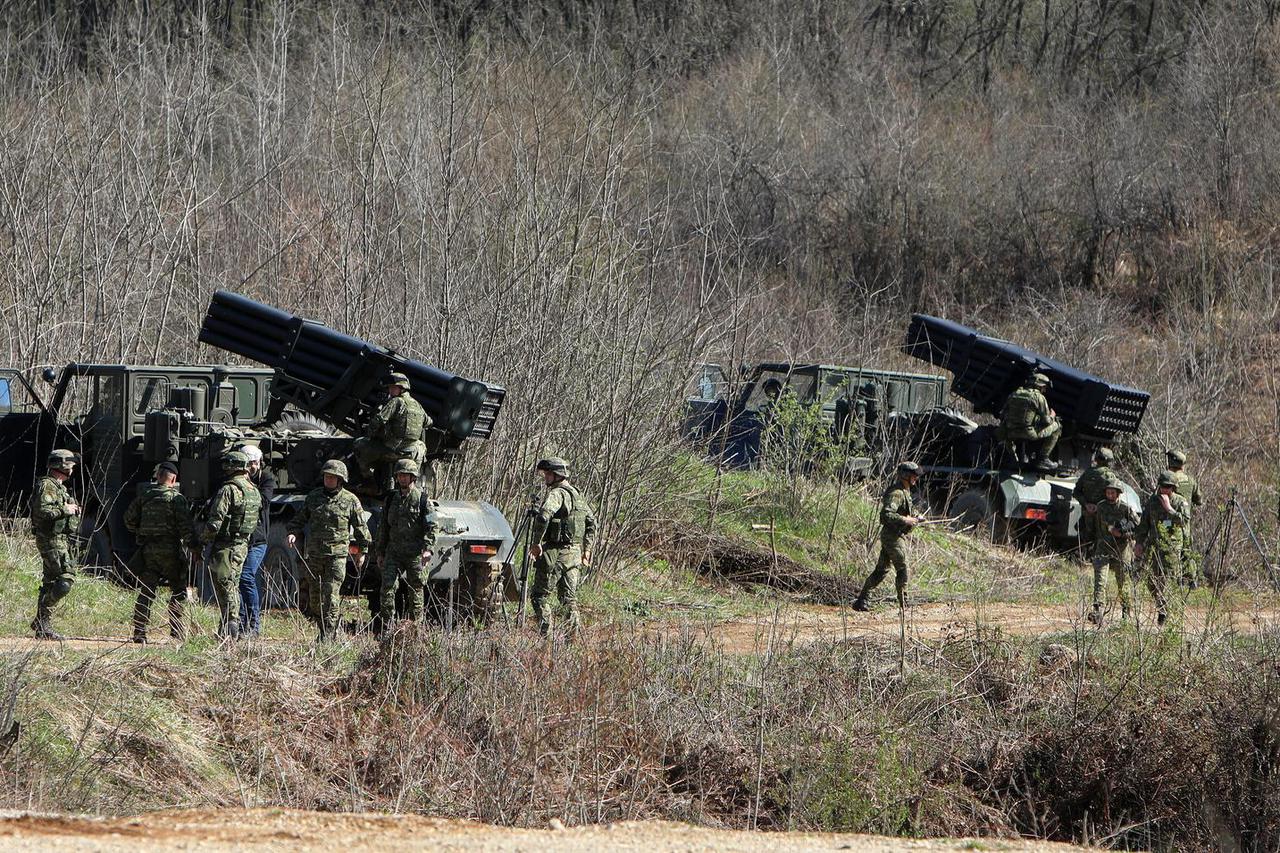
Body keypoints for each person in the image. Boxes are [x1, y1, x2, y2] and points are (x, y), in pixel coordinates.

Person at [287, 460, 370, 642]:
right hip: (315, 555)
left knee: (331, 596)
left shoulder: (350, 500)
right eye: (326, 476)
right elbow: (299, 519)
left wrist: (362, 552)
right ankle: (324, 628)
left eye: (332, 477)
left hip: (336, 557)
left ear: (340, 480)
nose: (328, 480)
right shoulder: (314, 497)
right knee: (315, 599)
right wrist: (293, 533)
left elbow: (361, 528)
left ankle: (328, 636)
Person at [124, 462, 198, 643]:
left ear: (158, 477)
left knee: (147, 591)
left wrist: (141, 531)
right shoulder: (177, 499)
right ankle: (176, 632)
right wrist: (195, 548)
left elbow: (128, 520)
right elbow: (186, 528)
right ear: (173, 479)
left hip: (149, 551)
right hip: (171, 552)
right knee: (178, 591)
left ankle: (139, 632)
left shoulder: (144, 496)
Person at [528, 458, 597, 637]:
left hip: (556, 553)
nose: (545, 478)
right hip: (575, 554)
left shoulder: (557, 493)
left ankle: (546, 639)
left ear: (556, 475)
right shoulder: (577, 495)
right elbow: (592, 522)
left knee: (539, 596)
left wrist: (536, 543)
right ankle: (571, 641)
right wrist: (587, 549)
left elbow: (543, 517)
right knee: (569, 599)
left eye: (547, 474)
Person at [199, 451, 262, 639]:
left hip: (226, 545)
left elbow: (215, 520)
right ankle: (229, 624)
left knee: (225, 585)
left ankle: (231, 624)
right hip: (242, 545)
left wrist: (202, 541)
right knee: (233, 583)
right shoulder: (253, 489)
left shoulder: (229, 489)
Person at [373, 459, 436, 634]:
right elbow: (384, 527)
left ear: (412, 477)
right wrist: (380, 552)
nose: (402, 478)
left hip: (415, 553)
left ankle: (414, 631)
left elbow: (432, 527)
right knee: (387, 589)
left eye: (405, 475)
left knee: (415, 590)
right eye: (400, 475)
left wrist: (428, 549)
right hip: (394, 552)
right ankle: (388, 628)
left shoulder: (423, 500)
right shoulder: (391, 499)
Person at [852, 461, 921, 612]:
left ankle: (862, 600)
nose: (916, 478)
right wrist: (905, 520)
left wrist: (915, 518)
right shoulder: (897, 493)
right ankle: (905, 604)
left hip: (893, 535)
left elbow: (902, 512)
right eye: (913, 475)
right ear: (906, 475)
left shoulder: (904, 491)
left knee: (881, 570)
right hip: (893, 537)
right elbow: (886, 514)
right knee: (902, 568)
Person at [30, 450, 80, 640]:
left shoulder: (59, 487)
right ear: (63, 466)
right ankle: (42, 620)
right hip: (51, 539)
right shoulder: (47, 485)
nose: (73, 469)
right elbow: (42, 511)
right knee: (65, 581)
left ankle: (42, 624)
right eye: (71, 465)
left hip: (58, 538)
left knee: (50, 581)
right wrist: (64, 510)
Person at [1135, 470, 1191, 626]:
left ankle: (1165, 614)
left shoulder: (1180, 502)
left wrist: (1169, 508)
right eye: (1163, 486)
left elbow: (1184, 521)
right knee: (1151, 582)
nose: (1165, 490)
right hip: (1154, 547)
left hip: (1171, 549)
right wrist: (1139, 543)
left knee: (1167, 581)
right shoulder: (1152, 502)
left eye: (1168, 487)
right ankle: (1162, 606)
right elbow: (1143, 525)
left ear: (1173, 488)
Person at [353, 373, 429, 487]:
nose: (390, 391)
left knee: (358, 444)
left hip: (395, 449)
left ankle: (368, 482)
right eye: (389, 388)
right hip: (414, 451)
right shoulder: (417, 405)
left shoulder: (396, 402)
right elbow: (428, 422)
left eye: (393, 388)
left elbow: (379, 420)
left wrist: (371, 435)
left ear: (401, 388)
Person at [1088, 476, 1140, 626]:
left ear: (1118, 493)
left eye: (1113, 493)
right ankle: (1098, 610)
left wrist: (1123, 533)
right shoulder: (1101, 507)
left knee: (1123, 581)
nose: (1110, 495)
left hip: (1122, 550)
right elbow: (1096, 526)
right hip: (1103, 547)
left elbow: (1138, 528)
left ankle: (1126, 612)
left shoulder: (1126, 508)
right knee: (1100, 580)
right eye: (1108, 492)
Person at [238, 444, 275, 637]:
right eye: (249, 463)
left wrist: (245, 485)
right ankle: (241, 623)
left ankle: (254, 624)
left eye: (255, 463)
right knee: (238, 581)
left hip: (258, 539)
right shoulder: (236, 479)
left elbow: (263, 501)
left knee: (246, 576)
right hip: (240, 539)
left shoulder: (266, 478)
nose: (252, 466)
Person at [998, 372, 1061, 471]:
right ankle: (1043, 459)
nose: (1044, 390)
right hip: (1028, 433)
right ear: (1040, 386)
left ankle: (1012, 458)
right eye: (1044, 387)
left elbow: (1002, 415)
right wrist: (1052, 416)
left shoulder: (1014, 394)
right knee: (1057, 426)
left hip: (1011, 432)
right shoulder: (1038, 397)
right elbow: (1047, 421)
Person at [1166, 450, 1203, 587]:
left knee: (1172, 549)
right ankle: (1192, 580)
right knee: (1186, 549)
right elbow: (1198, 500)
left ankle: (1177, 580)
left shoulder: (1168, 479)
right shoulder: (1190, 480)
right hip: (1185, 520)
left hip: (1169, 519)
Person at [1073, 448, 1116, 560]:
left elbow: (1076, 492)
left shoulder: (1087, 473)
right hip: (1102, 515)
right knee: (1099, 539)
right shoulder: (1110, 476)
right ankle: (1094, 561)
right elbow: (1114, 496)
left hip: (1087, 512)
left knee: (1085, 536)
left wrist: (1086, 504)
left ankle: (1082, 559)